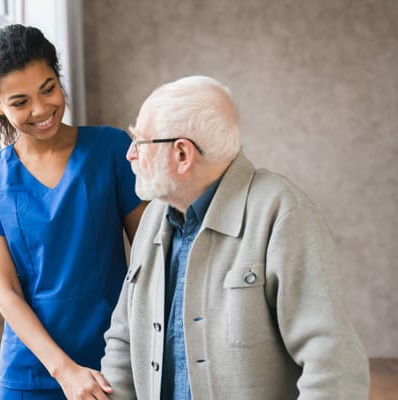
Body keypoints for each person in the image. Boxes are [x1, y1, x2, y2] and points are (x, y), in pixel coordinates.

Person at [100, 75, 370, 399]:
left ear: (182, 154)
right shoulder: (154, 217)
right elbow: (123, 341)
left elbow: (333, 364)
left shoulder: (281, 212)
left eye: (140, 142)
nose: (130, 154)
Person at [0, 24, 147, 400]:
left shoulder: (112, 149)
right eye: (20, 101)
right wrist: (65, 371)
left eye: (48, 89)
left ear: (59, 79)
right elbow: (6, 291)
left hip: (114, 361)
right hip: (32, 373)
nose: (41, 110)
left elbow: (151, 260)